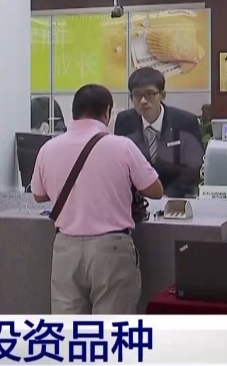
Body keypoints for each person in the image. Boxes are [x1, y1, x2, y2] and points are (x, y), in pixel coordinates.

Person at [31, 84, 163, 314]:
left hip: (66, 250)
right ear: (107, 112)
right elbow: (155, 190)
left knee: (69, 331)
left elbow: (39, 195)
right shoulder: (122, 146)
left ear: (73, 112)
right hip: (111, 250)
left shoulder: (48, 149)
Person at [114, 67, 205, 198]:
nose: (143, 101)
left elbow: (194, 167)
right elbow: (121, 167)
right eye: (137, 95)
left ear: (162, 95)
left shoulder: (185, 121)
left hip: (177, 197)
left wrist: (166, 196)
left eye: (150, 94)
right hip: (138, 200)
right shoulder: (125, 121)